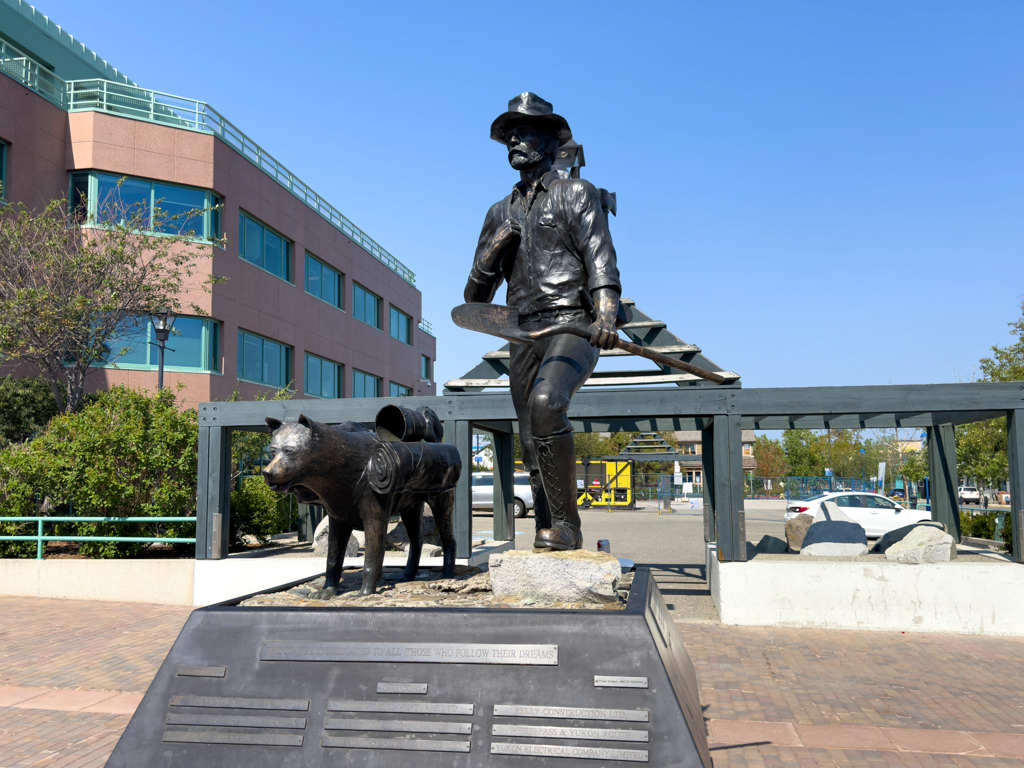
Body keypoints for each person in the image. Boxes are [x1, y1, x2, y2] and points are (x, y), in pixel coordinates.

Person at [464, 93, 622, 551]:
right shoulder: (499, 212)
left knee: (548, 402)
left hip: (573, 326)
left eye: (525, 131)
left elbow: (601, 265)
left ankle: (568, 526)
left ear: (552, 142)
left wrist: (606, 316)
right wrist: (497, 244)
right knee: (531, 441)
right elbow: (475, 297)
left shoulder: (577, 193)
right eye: (508, 134)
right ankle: (545, 529)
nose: (513, 139)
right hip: (522, 332)